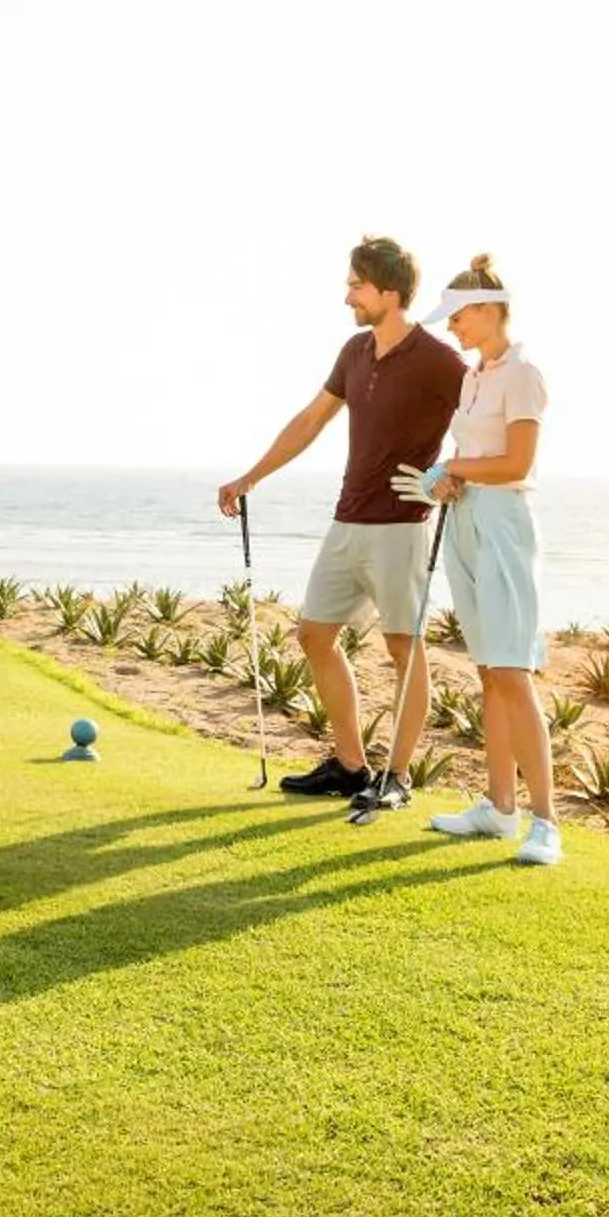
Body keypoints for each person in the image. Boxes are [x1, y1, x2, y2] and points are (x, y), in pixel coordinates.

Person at [216, 237, 466, 815]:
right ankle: (352, 767)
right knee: (313, 634)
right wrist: (250, 477)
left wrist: (452, 473)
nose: (347, 294)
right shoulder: (355, 351)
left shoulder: (438, 359)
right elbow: (310, 420)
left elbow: (480, 422)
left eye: (356, 284)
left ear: (390, 292)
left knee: (404, 648)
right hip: (347, 519)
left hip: (403, 525)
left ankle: (397, 776)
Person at [393, 257, 558, 865]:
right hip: (464, 519)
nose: (453, 327)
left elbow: (516, 464)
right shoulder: (473, 377)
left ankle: (545, 822)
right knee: (488, 670)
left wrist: (453, 468)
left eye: (459, 316)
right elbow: (470, 454)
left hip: (505, 525)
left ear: (489, 311)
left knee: (512, 670)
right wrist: (447, 482)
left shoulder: (524, 374)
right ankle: (499, 808)